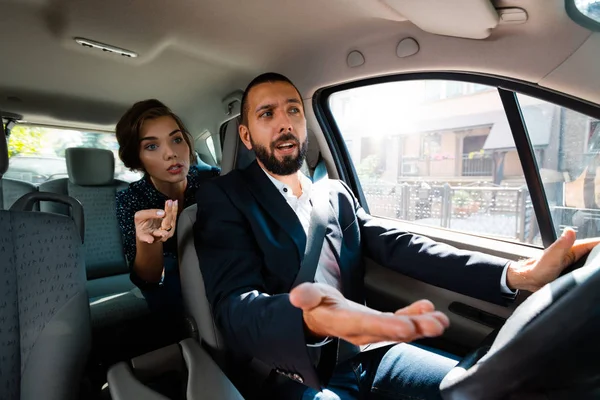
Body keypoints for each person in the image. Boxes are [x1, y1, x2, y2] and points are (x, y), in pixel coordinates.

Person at [193, 73, 599, 400]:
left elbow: (402, 246)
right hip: (296, 373)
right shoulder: (226, 197)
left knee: (492, 388)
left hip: (368, 353)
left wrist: (516, 273)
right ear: (247, 137)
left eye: (293, 110)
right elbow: (233, 305)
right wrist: (307, 322)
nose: (284, 122)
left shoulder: (332, 192)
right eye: (267, 114)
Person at [115, 99, 219, 313]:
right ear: (138, 159)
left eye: (177, 139)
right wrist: (150, 243)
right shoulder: (131, 201)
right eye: (152, 146)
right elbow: (149, 280)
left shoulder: (213, 179)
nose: (171, 153)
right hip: (170, 296)